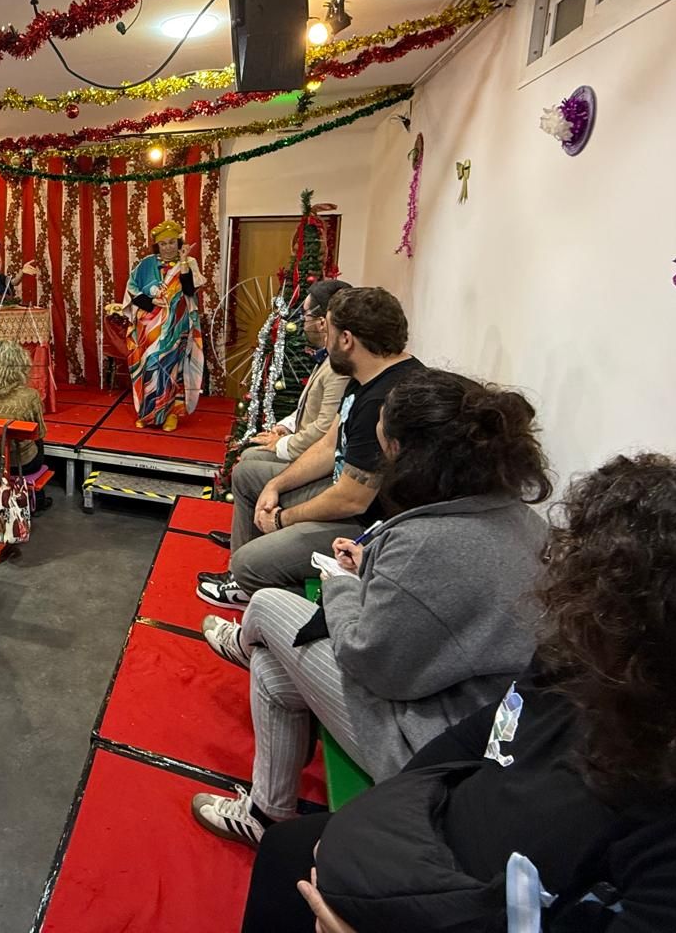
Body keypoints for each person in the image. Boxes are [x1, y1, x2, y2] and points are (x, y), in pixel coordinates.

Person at [240, 454, 676, 933]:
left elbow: (376, 663)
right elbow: (483, 733)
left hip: (459, 892)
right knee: (289, 847)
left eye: (604, 593)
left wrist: (340, 587)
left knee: (267, 617)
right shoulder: (583, 666)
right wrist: (367, 833)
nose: (571, 599)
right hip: (430, 844)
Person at [190, 370, 552, 845]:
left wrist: (341, 586)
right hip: (478, 722)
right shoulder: (520, 519)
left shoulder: (426, 541)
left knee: (267, 604)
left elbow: (369, 661)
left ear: (401, 453)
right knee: (271, 668)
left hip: (434, 748)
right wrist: (373, 569)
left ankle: (245, 638)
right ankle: (265, 811)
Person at [200, 287, 423, 609]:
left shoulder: (385, 399)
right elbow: (329, 445)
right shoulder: (367, 375)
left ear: (346, 339)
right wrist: (276, 485)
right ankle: (244, 579)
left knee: (250, 562)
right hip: (342, 489)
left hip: (366, 525)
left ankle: (254, 579)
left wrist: (283, 519)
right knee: (249, 474)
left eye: (327, 330)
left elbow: (352, 499)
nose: (322, 337)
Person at [237, 280, 350, 469]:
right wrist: (287, 426)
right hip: (303, 446)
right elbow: (310, 407)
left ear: (322, 323)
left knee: (246, 467)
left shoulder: (339, 368)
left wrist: (282, 444)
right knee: (249, 456)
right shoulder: (326, 356)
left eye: (305, 314)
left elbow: (324, 427)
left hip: (314, 460)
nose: (301, 321)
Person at [117, 218, 206, 432]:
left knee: (172, 369)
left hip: (176, 326)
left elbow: (189, 291)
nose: (168, 247)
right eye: (163, 243)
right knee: (149, 367)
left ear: (179, 242)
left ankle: (171, 414)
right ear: (157, 245)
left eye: (172, 242)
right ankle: (148, 414)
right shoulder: (146, 264)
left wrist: (183, 262)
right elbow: (132, 289)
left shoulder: (189, 263)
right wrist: (150, 302)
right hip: (148, 328)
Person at [0, 340, 51, 507]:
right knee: (38, 440)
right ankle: (37, 497)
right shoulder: (30, 396)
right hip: (23, 464)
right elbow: (40, 433)